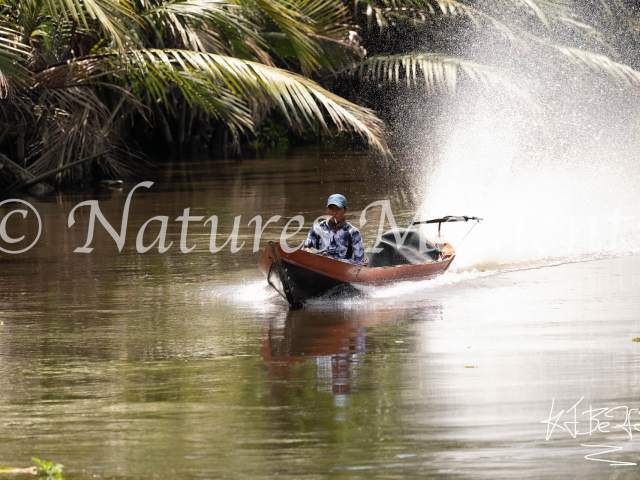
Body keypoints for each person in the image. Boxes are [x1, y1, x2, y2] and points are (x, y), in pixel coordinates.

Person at [302, 194, 365, 265]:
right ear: (326, 209)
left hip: (342, 270)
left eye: (338, 209)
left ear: (345, 210)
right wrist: (308, 252)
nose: (334, 213)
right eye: (331, 209)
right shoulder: (317, 228)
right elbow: (304, 250)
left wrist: (335, 261)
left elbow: (360, 261)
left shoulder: (353, 232)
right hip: (319, 266)